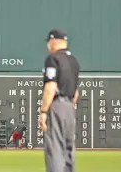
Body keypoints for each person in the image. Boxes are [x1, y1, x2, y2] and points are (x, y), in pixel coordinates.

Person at [39, 29, 80, 172]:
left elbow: (50, 86)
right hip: (70, 106)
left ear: (53, 40)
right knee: (68, 148)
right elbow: (76, 93)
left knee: (55, 147)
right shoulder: (73, 60)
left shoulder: (53, 59)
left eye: (49, 42)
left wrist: (43, 111)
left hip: (57, 105)